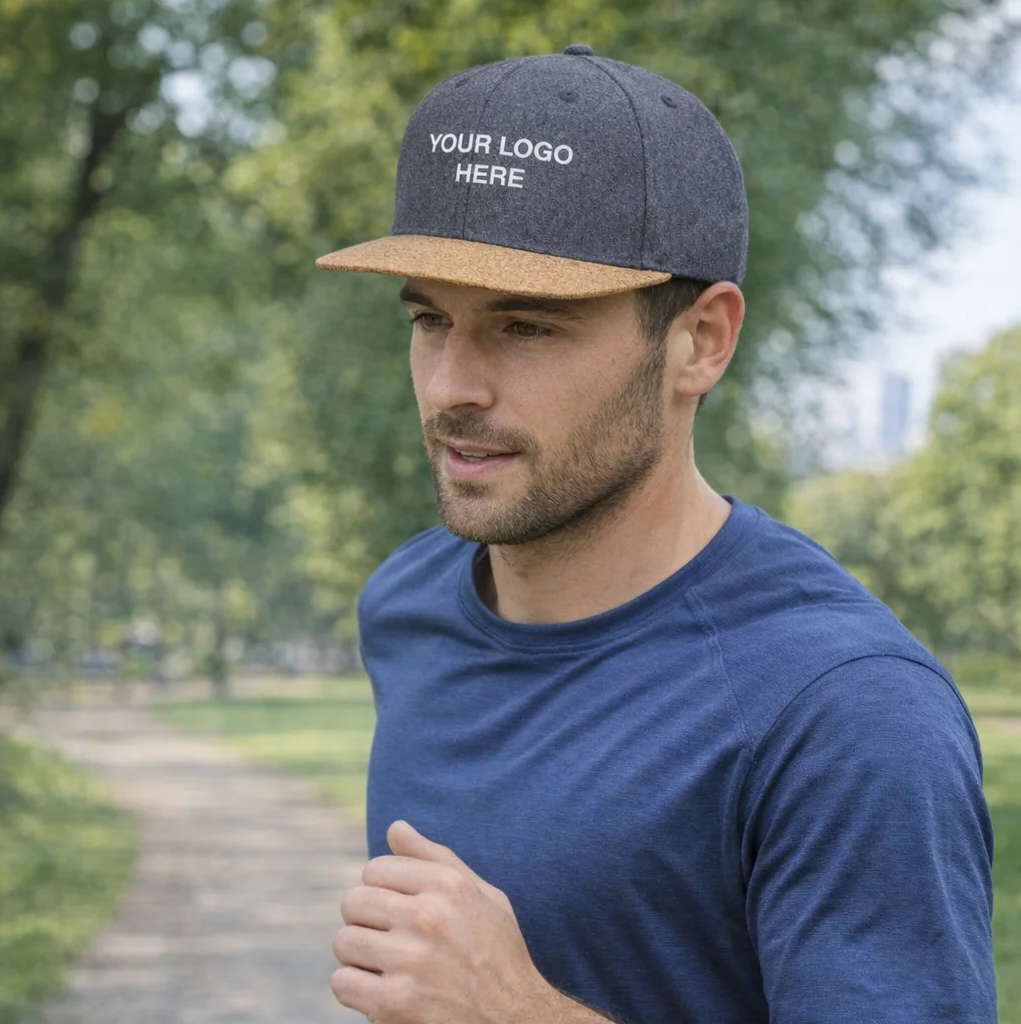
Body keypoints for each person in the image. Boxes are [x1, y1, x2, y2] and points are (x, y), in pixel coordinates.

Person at [315, 44, 997, 1024]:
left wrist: (516, 1011)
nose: (452, 386)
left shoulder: (846, 713)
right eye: (430, 320)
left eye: (527, 327)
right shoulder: (408, 602)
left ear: (700, 342)